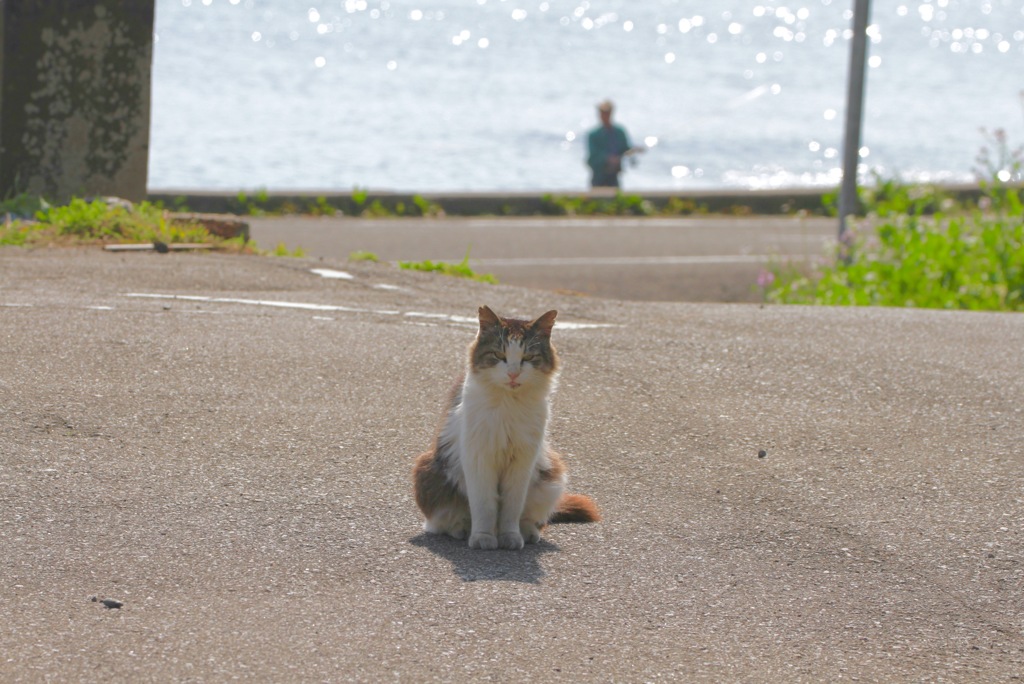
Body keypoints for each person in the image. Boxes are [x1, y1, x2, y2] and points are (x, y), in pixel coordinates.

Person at [586, 100, 633, 188]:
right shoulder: (594, 134)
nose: (605, 115)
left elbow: (625, 149)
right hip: (598, 173)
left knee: (615, 198)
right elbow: (593, 154)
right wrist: (608, 159)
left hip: (614, 173)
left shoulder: (619, 132)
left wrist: (632, 152)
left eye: (607, 113)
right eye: (603, 113)